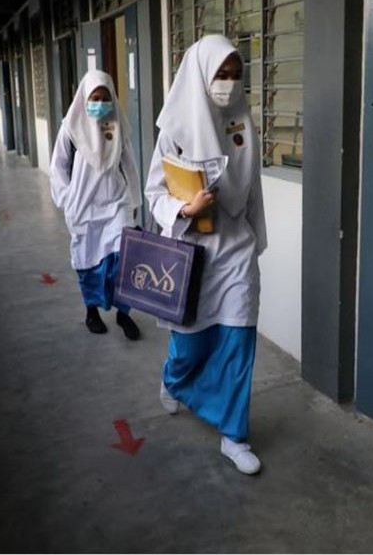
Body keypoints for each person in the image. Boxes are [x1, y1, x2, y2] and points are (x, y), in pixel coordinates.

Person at [145, 35, 267, 475]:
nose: (230, 84)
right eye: (221, 75)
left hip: (235, 250)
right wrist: (184, 209)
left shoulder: (242, 123)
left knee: (238, 342)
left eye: (236, 75)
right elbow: (154, 191)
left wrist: (257, 238)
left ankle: (234, 435)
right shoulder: (174, 130)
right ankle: (173, 379)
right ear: (200, 75)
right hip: (191, 254)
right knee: (190, 346)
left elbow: (252, 190)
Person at [50, 70, 143, 340]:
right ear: (84, 97)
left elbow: (130, 164)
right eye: (95, 97)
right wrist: (66, 198)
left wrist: (134, 200)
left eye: (105, 98)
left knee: (124, 259)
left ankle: (124, 313)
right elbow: (58, 166)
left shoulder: (117, 123)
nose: (100, 103)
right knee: (87, 261)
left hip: (116, 203)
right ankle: (92, 310)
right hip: (84, 207)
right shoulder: (71, 127)